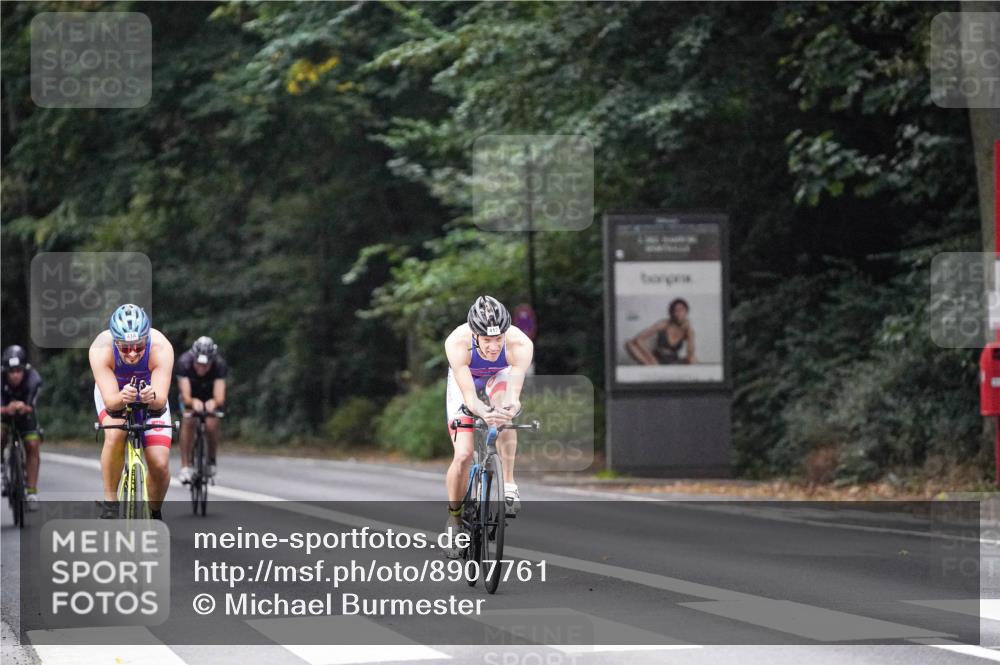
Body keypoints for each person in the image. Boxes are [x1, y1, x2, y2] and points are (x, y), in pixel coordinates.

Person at [442, 295, 534, 557]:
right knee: (463, 455)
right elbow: (470, 398)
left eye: (498, 339)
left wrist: (509, 408)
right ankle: (454, 520)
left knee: (505, 413)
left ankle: (510, 484)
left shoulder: (519, 344)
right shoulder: (457, 342)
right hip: (467, 382)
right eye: (486, 340)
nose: (494, 346)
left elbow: (514, 394)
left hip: (499, 377)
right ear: (475, 335)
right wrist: (482, 412)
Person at [89, 304, 174, 520]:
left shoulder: (161, 347)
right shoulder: (100, 349)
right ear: (115, 343)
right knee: (116, 433)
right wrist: (121, 397)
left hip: (150, 395)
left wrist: (151, 397)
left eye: (138, 346)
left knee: (159, 464)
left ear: (147, 339)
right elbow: (111, 402)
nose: (133, 353)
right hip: (114, 392)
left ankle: (154, 512)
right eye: (125, 348)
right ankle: (110, 503)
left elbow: (160, 400)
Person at [176, 336, 227, 482]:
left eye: (206, 365)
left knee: (212, 423)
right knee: (189, 420)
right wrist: (192, 401)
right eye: (198, 364)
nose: (201, 368)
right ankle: (185, 466)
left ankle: (211, 460)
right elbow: (185, 396)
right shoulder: (184, 362)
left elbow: (220, 397)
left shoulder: (219, 365)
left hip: (210, 395)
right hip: (191, 395)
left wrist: (214, 402)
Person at [1, 345, 43, 510]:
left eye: (18, 371)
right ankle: (1, 467)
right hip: (4, 413)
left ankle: (31, 492)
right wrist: (6, 409)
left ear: (25, 369)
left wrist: (24, 407)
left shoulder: (34, 379)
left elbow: (32, 404)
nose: (15, 375)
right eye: (11, 371)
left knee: (32, 445)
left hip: (25, 413)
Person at [624, 298, 697, 365]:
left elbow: (690, 354)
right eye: (676, 311)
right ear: (671, 313)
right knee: (628, 343)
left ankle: (655, 368)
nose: (679, 313)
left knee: (693, 359)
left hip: (673, 361)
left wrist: (689, 331)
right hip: (656, 359)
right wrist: (651, 357)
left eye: (681, 310)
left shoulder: (689, 330)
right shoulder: (664, 324)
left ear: (686, 312)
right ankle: (652, 366)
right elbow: (638, 339)